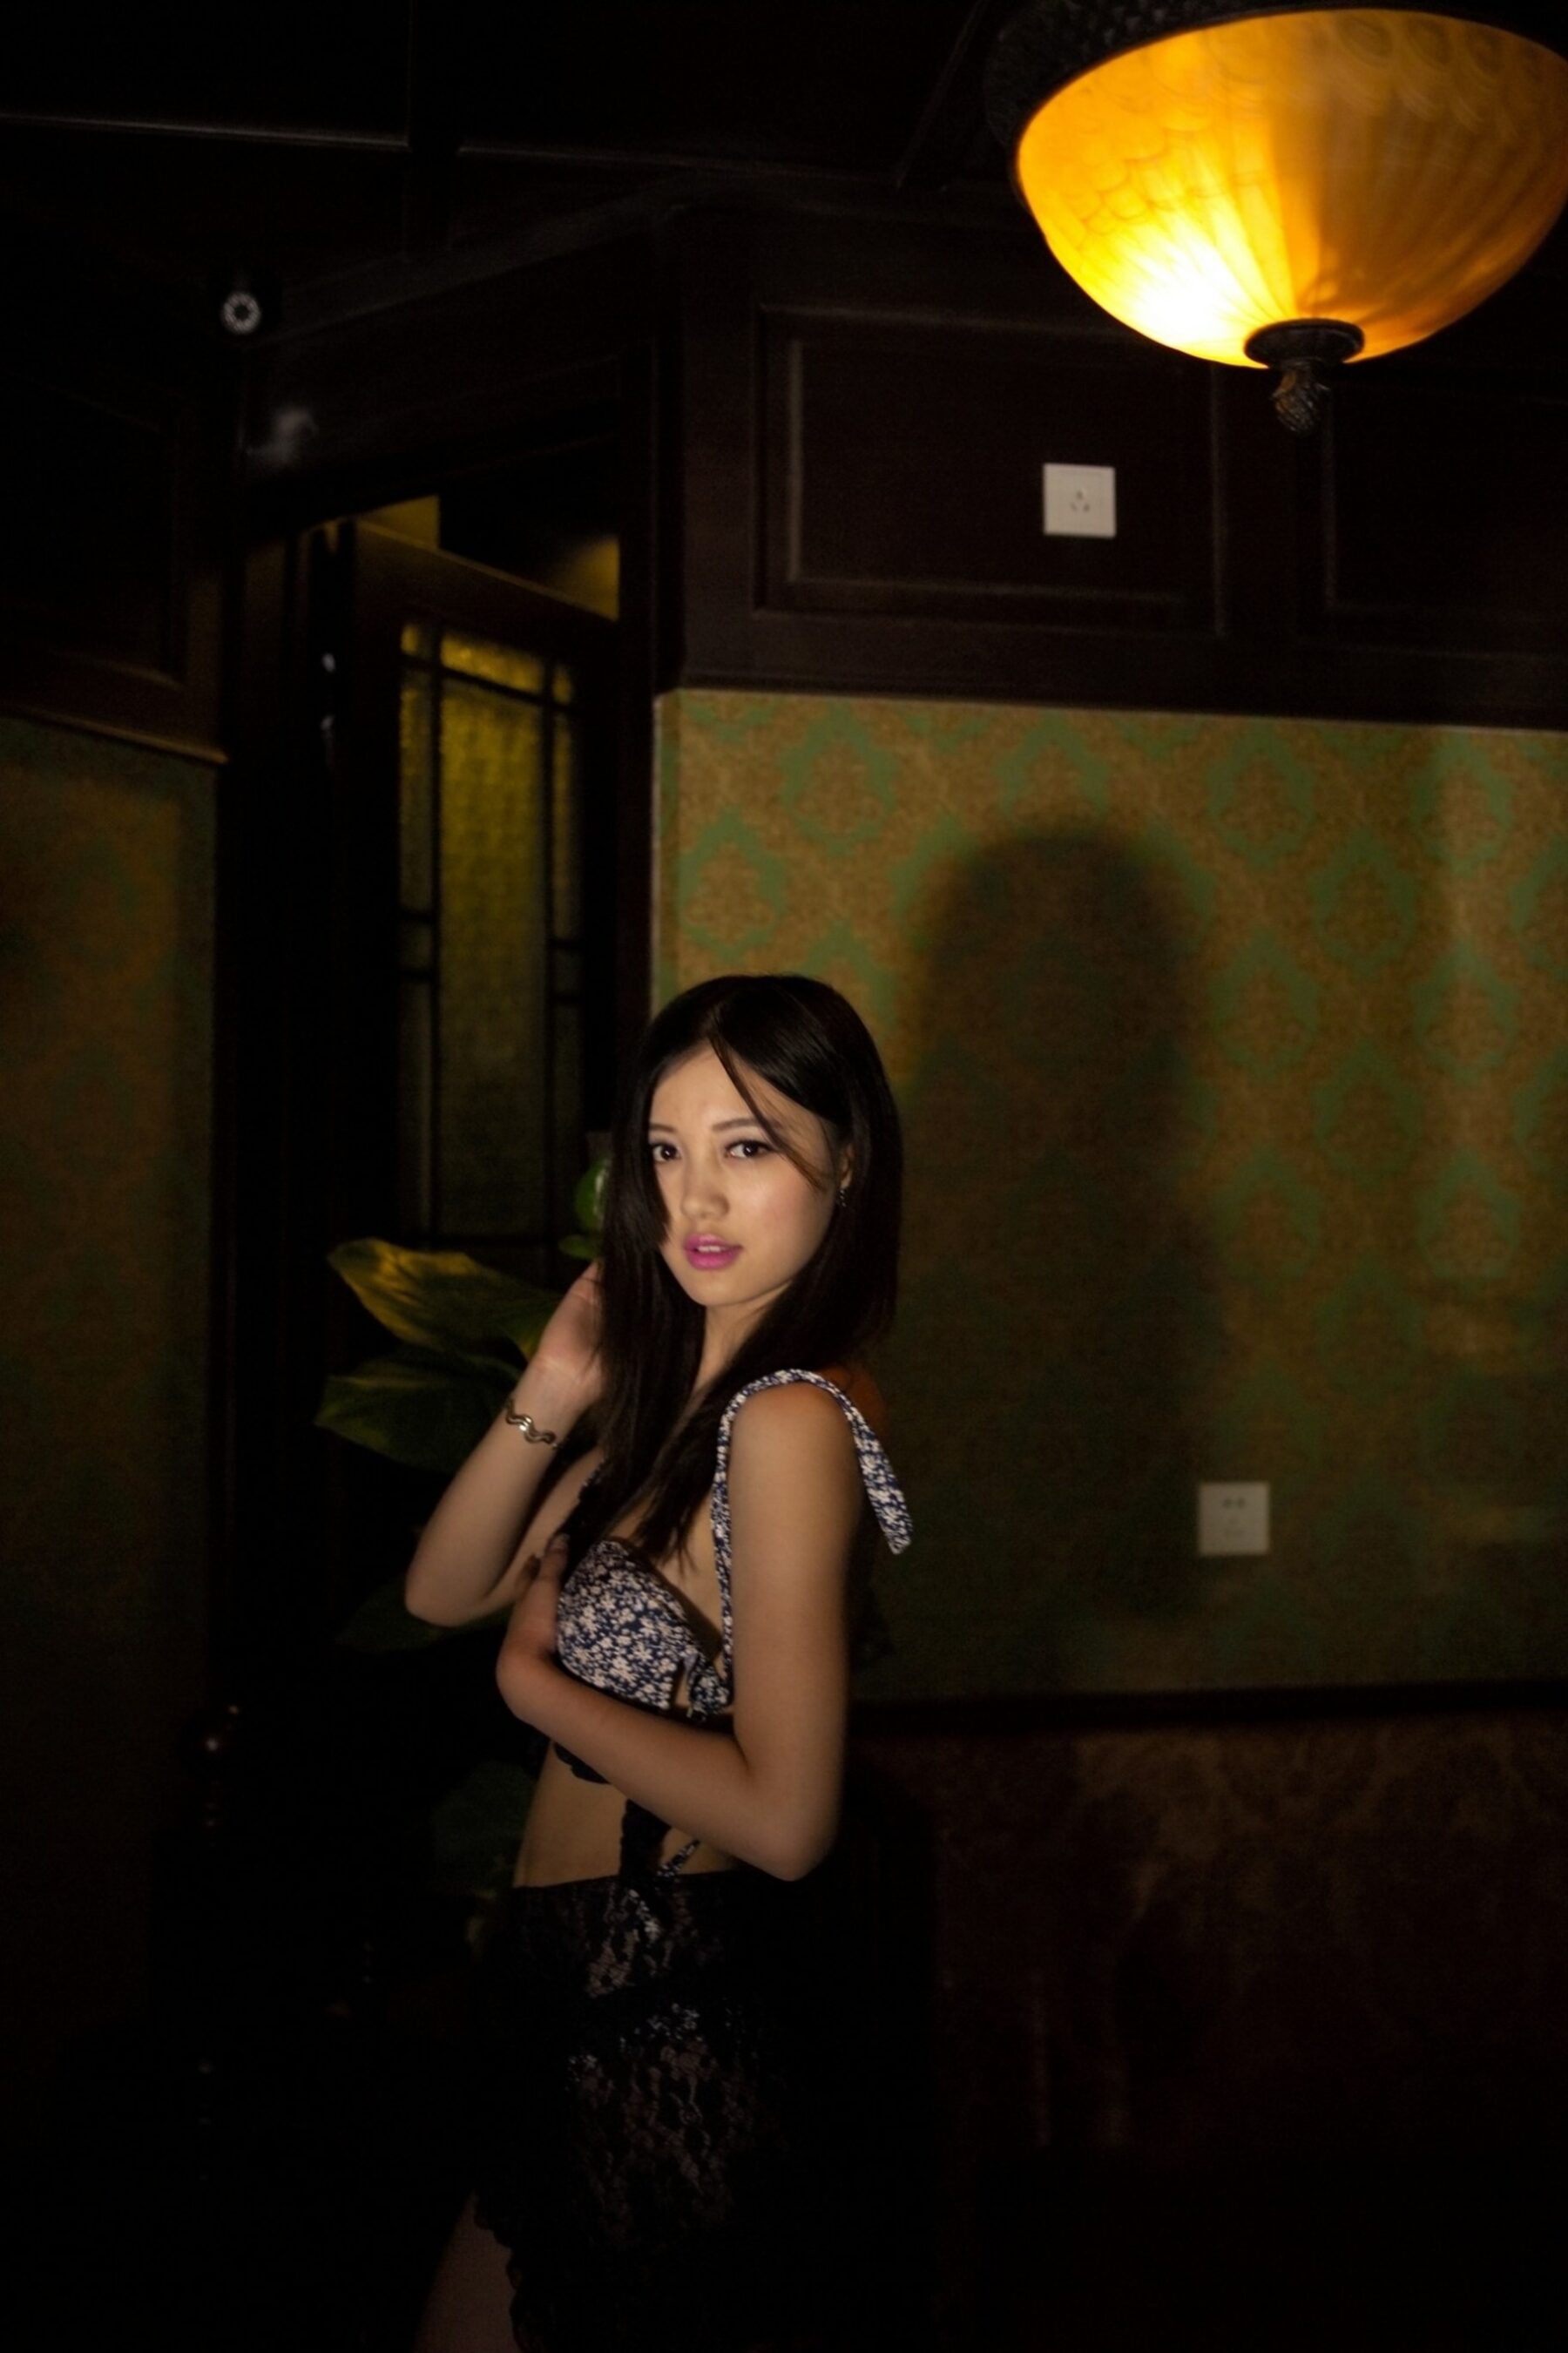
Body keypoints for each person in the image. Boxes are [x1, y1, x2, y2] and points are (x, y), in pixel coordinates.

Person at [407, 973, 913, 2353]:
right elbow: (444, 1587)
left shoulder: (787, 1421)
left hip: (660, 2003)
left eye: (747, 1146)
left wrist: (534, 1689)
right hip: (569, 1989)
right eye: (665, 1149)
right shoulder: (683, 1411)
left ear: (846, 1160)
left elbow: (787, 1819)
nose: (695, 1196)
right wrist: (556, 1389)